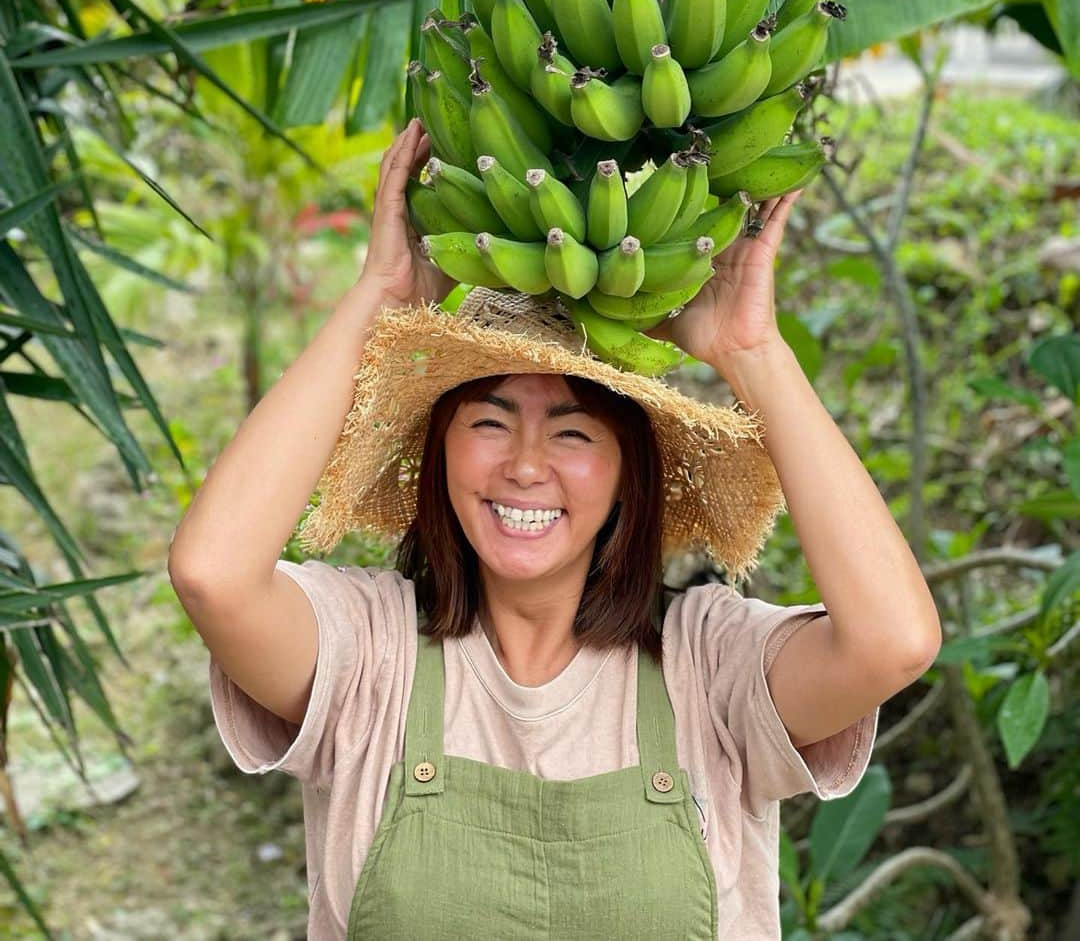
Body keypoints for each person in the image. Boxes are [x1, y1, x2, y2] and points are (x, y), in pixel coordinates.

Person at [169, 117, 942, 940]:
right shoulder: (370, 653)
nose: (526, 466)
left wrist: (754, 353)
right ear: (439, 453)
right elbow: (213, 573)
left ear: (627, 478)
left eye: (573, 432)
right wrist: (379, 302)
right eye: (490, 422)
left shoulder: (708, 664)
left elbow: (892, 641)